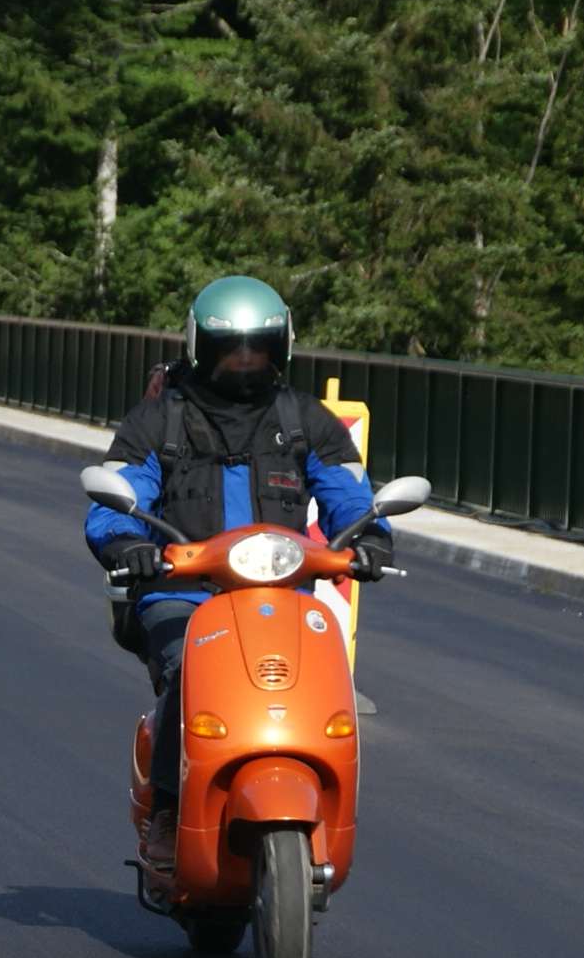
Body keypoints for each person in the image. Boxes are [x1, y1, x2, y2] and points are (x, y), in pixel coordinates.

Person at [84, 275, 395, 873]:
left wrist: (371, 536)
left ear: (282, 348)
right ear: (199, 346)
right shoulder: (157, 420)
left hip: (281, 597)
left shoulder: (306, 420)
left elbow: (350, 494)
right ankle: (169, 808)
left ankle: (324, 800)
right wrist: (127, 542)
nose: (245, 360)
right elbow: (117, 494)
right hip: (183, 593)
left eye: (258, 348)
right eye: (231, 349)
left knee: (320, 675)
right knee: (190, 671)